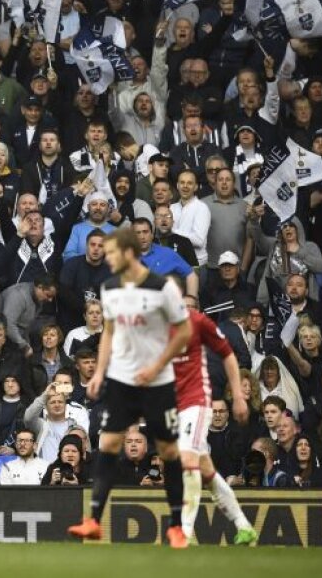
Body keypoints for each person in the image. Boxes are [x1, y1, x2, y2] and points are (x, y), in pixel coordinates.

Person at [68, 227, 192, 548]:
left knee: (168, 451)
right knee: (108, 444)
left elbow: (183, 332)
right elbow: (109, 331)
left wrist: (156, 365)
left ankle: (176, 525)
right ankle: (94, 521)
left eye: (111, 253)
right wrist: (100, 372)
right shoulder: (109, 288)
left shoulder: (162, 287)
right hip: (122, 380)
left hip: (157, 382)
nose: (106, 260)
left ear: (127, 253)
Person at [172, 308, 258, 544]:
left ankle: (185, 532)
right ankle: (244, 525)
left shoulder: (197, 321)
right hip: (175, 405)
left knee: (188, 462)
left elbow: (228, 354)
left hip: (197, 400)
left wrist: (239, 396)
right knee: (208, 473)